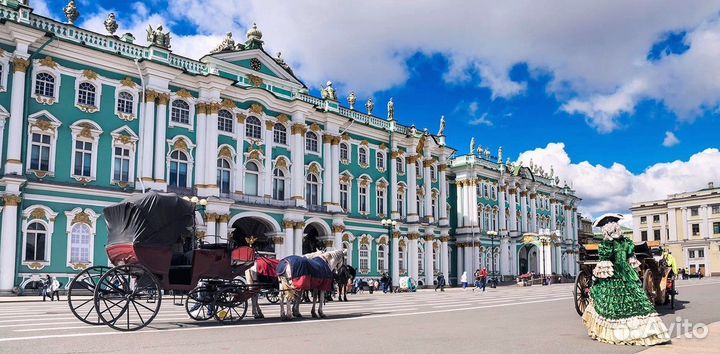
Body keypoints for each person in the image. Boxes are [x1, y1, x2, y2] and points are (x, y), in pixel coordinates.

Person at [582, 214, 670, 346]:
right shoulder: (627, 243)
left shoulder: (607, 244)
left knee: (608, 301)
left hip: (614, 274)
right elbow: (632, 260)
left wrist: (595, 277)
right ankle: (649, 331)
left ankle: (615, 332)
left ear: (606, 230)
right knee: (636, 300)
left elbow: (604, 262)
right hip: (627, 273)